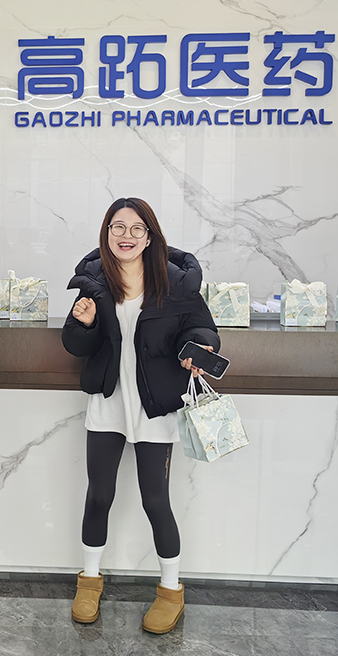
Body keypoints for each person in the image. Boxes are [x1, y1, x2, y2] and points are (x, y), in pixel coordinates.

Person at [61, 197, 220, 634]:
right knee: (99, 496)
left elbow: (201, 327)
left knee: (155, 501)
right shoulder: (94, 281)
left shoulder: (176, 284)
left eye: (136, 228)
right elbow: (76, 345)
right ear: (106, 234)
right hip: (109, 403)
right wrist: (84, 323)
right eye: (118, 227)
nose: (126, 236)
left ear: (150, 237)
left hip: (155, 406)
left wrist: (199, 347)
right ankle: (89, 582)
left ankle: (170, 591)